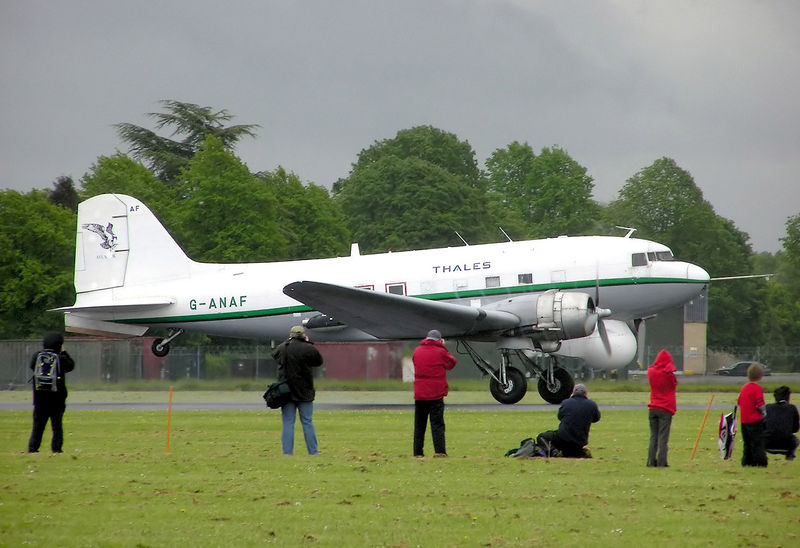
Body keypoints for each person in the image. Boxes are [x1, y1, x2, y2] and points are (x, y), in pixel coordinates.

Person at [272, 325, 323, 455]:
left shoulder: (283, 347)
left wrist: (287, 342)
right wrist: (307, 342)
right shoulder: (308, 348)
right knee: (307, 421)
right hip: (304, 390)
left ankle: (287, 452)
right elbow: (318, 361)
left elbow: (275, 355)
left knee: (288, 422)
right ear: (303, 335)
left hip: (286, 390)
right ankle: (313, 452)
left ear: (291, 335)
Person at [28, 332, 75, 453]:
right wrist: (64, 352)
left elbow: (32, 366)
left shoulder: (36, 356)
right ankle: (56, 448)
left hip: (39, 398)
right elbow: (71, 365)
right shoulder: (60, 358)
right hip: (57, 398)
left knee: (38, 426)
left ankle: (33, 448)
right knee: (57, 426)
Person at [412, 329, 457, 457]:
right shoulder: (441, 351)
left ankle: (417, 452)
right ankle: (440, 451)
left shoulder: (417, 351)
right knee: (437, 424)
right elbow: (451, 364)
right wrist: (443, 347)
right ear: (439, 339)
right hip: (435, 394)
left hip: (420, 394)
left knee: (419, 425)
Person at [539, 384, 601, 458]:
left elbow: (560, 417)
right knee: (572, 452)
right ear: (586, 394)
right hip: (580, 442)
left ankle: (553, 451)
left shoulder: (566, 402)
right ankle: (579, 452)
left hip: (563, 439)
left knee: (542, 437)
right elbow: (596, 419)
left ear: (573, 393)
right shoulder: (592, 405)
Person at [647, 349, 678, 467]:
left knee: (653, 436)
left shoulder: (651, 372)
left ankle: (651, 461)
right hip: (665, 408)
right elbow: (673, 384)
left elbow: (653, 369)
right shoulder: (668, 376)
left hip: (653, 406)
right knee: (663, 437)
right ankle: (661, 462)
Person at [737, 363, 768, 467]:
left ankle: (747, 462)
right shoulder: (757, 388)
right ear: (760, 376)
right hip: (755, 421)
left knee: (747, 443)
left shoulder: (744, 388)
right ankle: (760, 462)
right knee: (758, 443)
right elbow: (760, 404)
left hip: (744, 420)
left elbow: (739, 402)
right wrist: (765, 413)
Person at [763, 385, 799, 460]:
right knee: (796, 440)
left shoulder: (768, 407)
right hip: (787, 444)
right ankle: (790, 455)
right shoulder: (792, 408)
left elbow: (763, 426)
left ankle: (763, 455)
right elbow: (795, 429)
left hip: (767, 443)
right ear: (788, 397)